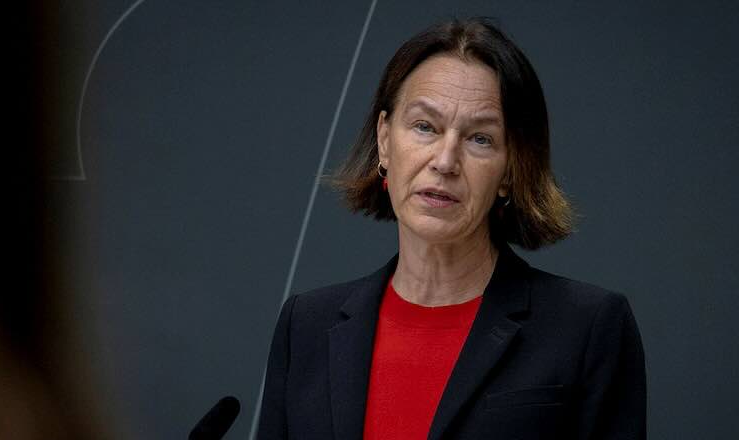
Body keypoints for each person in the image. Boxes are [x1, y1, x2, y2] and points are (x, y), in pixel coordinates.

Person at [257, 17, 646, 440]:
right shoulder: (306, 326)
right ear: (385, 140)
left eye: (480, 139)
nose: (445, 161)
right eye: (425, 127)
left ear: (511, 170)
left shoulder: (587, 326)